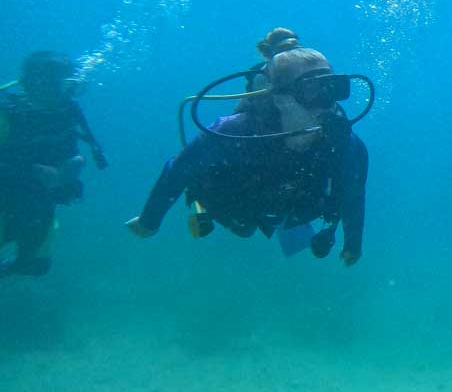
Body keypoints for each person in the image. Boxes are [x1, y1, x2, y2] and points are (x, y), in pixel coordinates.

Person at [125, 47, 368, 266]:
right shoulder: (232, 132)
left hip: (293, 207)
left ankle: (285, 226)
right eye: (313, 88)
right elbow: (178, 170)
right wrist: (149, 220)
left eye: (332, 87)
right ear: (280, 98)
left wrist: (352, 244)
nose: (326, 102)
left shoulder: (346, 144)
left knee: (295, 218)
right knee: (242, 228)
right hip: (236, 208)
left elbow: (354, 193)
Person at [0, 51, 108, 277]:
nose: (69, 93)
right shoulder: (7, 113)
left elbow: (68, 148)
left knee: (35, 263)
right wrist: (29, 170)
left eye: (73, 86)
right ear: (37, 83)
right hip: (8, 197)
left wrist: (73, 164)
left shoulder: (68, 110)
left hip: (37, 202)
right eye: (64, 85)